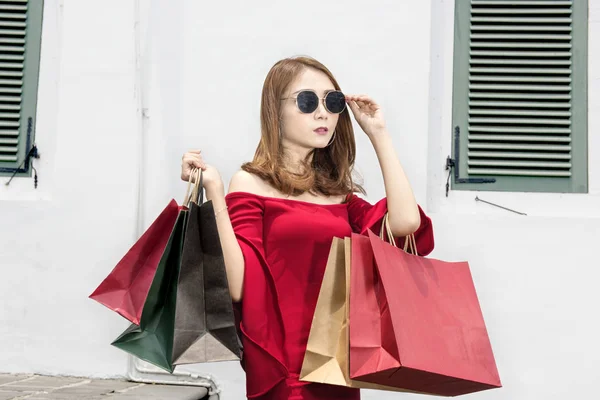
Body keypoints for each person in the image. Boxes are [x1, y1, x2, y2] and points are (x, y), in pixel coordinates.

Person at [180, 56, 435, 399]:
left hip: (335, 365)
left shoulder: (339, 196)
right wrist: (215, 192)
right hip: (283, 368)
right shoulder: (250, 183)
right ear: (276, 111)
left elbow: (406, 224)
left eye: (332, 102)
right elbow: (238, 286)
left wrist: (378, 133)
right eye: (306, 101)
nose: (323, 113)